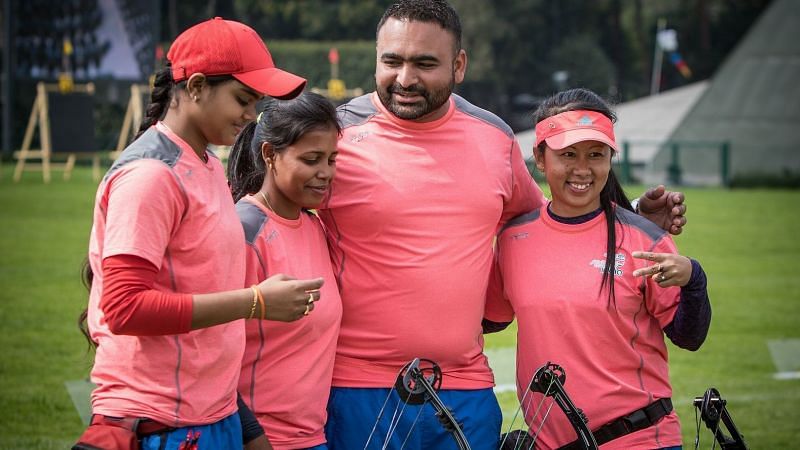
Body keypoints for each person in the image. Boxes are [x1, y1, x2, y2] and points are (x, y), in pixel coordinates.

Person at [318, 1, 688, 449]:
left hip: (465, 388)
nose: (405, 79)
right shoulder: (333, 136)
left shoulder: (493, 137)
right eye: (391, 61)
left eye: (425, 63)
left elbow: (553, 225)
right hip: (358, 386)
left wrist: (630, 223)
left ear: (459, 65)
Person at [74, 18, 324, 450]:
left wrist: (245, 427)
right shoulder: (150, 176)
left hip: (211, 414)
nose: (252, 116)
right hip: (159, 423)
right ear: (196, 87)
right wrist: (256, 302)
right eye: (243, 99)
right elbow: (124, 308)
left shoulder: (205, 163)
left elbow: (207, 332)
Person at [484, 88, 711, 450]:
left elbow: (689, 336)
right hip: (550, 443)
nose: (582, 169)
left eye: (596, 155)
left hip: (639, 440)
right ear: (540, 158)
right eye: (567, 155)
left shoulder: (643, 238)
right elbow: (489, 318)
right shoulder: (513, 239)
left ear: (610, 159)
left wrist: (694, 278)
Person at [227, 92, 342, 450]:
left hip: (311, 437)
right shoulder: (244, 230)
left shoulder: (316, 227)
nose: (325, 173)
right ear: (269, 155)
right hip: (258, 440)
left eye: (332, 159)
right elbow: (207, 352)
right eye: (311, 160)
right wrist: (251, 435)